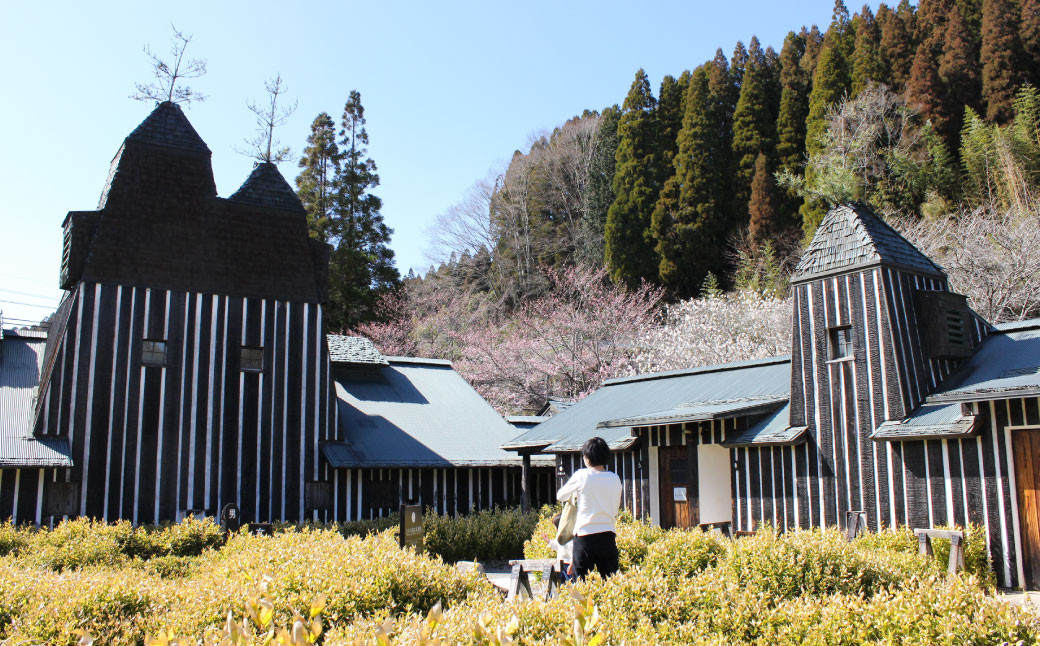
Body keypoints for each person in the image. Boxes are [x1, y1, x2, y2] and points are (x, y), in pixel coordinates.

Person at [556, 436, 622, 579]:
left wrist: (576, 494)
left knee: (580, 583)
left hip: (585, 535)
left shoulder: (582, 475)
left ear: (586, 457)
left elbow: (560, 496)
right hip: (608, 534)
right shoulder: (614, 478)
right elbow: (615, 509)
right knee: (611, 581)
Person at [540, 514, 575, 581]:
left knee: (569, 584)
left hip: (567, 564)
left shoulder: (569, 537)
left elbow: (572, 551)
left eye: (555, 526)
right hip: (560, 565)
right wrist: (548, 541)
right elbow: (558, 547)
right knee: (562, 584)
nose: (555, 529)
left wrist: (572, 564)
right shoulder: (560, 536)